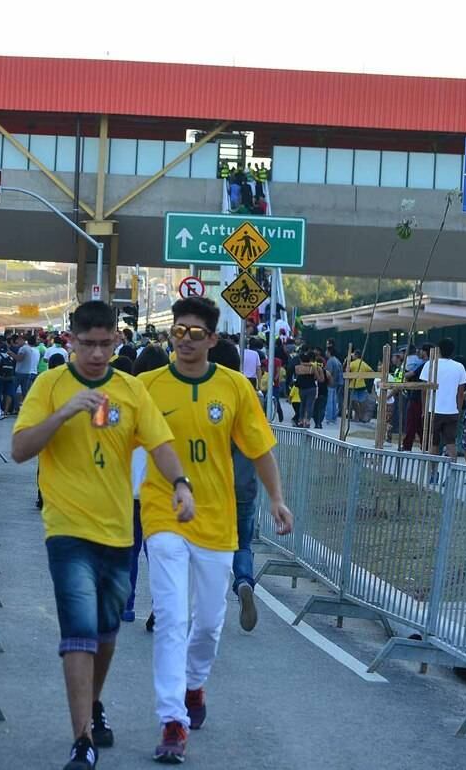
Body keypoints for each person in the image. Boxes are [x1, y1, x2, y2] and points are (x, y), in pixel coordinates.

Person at [11, 301, 193, 770]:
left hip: (117, 532)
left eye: (104, 344)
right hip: (67, 530)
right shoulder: (50, 385)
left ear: (117, 341)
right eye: (86, 344)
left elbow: (161, 444)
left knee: (107, 633)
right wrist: (64, 413)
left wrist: (180, 485)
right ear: (70, 340)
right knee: (79, 630)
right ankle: (82, 741)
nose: (95, 353)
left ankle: (93, 704)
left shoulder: (131, 390)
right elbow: (19, 449)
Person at [138, 298, 292, 763]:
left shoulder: (234, 389)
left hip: (217, 522)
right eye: (178, 332)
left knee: (206, 623)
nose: (185, 341)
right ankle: (172, 721)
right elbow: (109, 430)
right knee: (170, 617)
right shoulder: (146, 386)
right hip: (163, 514)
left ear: (212, 339)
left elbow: (260, 448)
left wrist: (276, 498)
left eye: (195, 334)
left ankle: (194, 684)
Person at [208, 339, 263, 633]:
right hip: (245, 486)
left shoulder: (205, 396)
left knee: (206, 547)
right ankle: (244, 581)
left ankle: (206, 604)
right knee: (242, 544)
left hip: (212, 487)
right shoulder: (249, 396)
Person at [122, 344, 170, 624]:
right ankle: (161, 606)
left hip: (128, 487)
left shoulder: (127, 395)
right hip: (161, 489)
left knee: (128, 551)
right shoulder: (174, 400)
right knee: (161, 554)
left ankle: (125, 607)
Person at [419, 337, 466, 471]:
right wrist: (458, 409)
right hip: (451, 411)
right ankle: (451, 472)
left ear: (438, 350)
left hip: (433, 409)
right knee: (451, 443)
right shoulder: (459, 367)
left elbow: (424, 390)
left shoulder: (430, 364)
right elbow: (460, 392)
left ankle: (433, 472)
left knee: (433, 443)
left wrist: (424, 409)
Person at [13, 332, 40, 413]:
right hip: (29, 372)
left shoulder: (23, 349)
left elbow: (19, 358)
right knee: (26, 392)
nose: (17, 342)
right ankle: (28, 408)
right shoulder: (30, 349)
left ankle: (16, 407)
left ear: (22, 340)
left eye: (18, 340)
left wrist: (11, 354)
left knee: (14, 390)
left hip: (21, 372)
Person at [347, 351, 373, 423]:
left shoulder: (352, 364)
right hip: (362, 385)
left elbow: (346, 371)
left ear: (356, 355)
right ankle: (359, 416)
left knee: (354, 402)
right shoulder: (363, 363)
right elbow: (371, 370)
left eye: (353, 354)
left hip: (353, 385)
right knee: (361, 402)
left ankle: (357, 416)